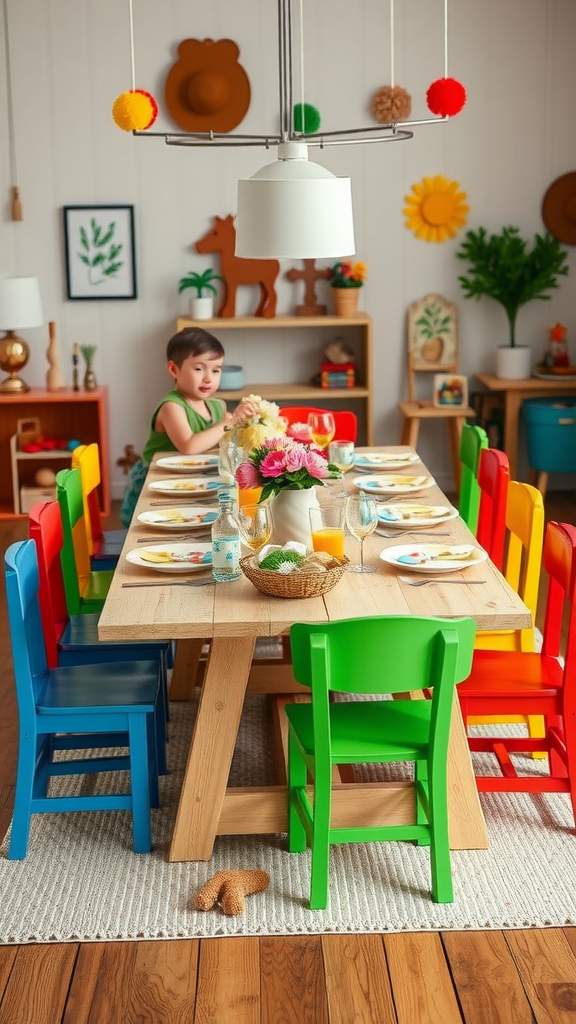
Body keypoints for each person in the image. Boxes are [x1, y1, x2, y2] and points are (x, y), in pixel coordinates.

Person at [120, 326, 257, 526]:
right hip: (156, 486)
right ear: (173, 369)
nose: (208, 378)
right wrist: (229, 423)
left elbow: (222, 446)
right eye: (199, 368)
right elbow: (189, 447)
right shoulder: (171, 407)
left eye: (216, 370)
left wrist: (246, 423)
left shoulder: (217, 406)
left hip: (197, 484)